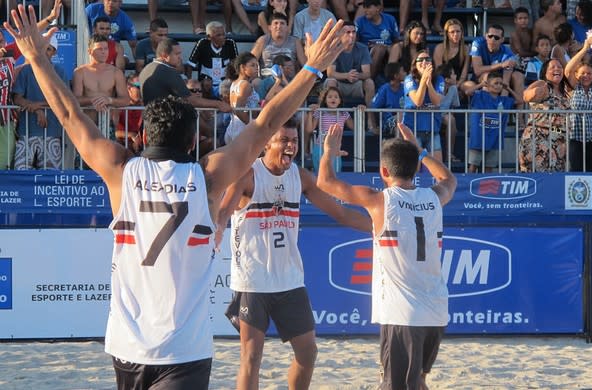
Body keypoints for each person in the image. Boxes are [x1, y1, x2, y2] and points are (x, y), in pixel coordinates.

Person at [4, 6, 346, 388]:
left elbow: (68, 113)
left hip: (127, 346)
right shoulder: (207, 178)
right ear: (191, 142)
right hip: (184, 351)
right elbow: (266, 123)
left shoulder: (121, 171)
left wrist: (34, 56)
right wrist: (312, 68)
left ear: (146, 137)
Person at [217, 118, 371, 390]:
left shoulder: (299, 177)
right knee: (251, 358)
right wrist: (215, 233)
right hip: (253, 282)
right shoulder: (248, 175)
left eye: (294, 141)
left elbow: (341, 213)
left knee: (308, 352)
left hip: (290, 281)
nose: (290, 146)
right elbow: (221, 215)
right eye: (284, 140)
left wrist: (380, 229)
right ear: (267, 144)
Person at [315, 122, 456, 390]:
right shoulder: (435, 197)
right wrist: (422, 151)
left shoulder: (380, 200)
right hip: (436, 311)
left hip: (402, 314)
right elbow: (449, 180)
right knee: (418, 382)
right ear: (416, 169)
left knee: (393, 385)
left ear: (383, 171)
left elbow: (325, 182)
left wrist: (328, 152)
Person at [12, 33, 68, 170]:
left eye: (48, 49)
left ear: (54, 52)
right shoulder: (26, 70)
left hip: (52, 132)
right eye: (41, 48)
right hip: (26, 132)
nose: (44, 52)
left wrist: (36, 106)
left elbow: (64, 99)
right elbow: (16, 98)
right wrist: (36, 109)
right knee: (21, 173)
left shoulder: (60, 72)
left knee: (50, 177)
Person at [140, 37, 232, 117]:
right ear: (164, 56)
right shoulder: (169, 72)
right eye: (177, 54)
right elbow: (191, 100)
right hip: (166, 123)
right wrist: (218, 104)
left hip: (149, 121)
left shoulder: (146, 69)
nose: (180, 57)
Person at [564, 30, 592, 172]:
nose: (586, 76)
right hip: (575, 138)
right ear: (577, 75)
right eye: (582, 73)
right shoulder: (573, 87)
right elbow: (568, 70)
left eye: (589, 73)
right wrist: (584, 48)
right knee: (575, 172)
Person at [463, 71, 522, 173]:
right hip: (479, 139)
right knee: (473, 167)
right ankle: (469, 187)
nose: (499, 86)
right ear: (488, 84)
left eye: (500, 83)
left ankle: (485, 189)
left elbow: (520, 100)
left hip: (495, 140)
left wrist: (508, 88)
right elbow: (467, 92)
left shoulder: (504, 100)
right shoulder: (480, 96)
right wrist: (481, 84)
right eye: (496, 83)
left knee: (489, 168)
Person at [518, 58, 571, 172]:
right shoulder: (543, 84)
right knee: (536, 178)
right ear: (545, 73)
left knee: (555, 180)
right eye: (553, 67)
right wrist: (535, 93)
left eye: (560, 67)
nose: (557, 69)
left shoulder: (564, 92)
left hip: (558, 141)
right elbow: (526, 96)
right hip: (538, 139)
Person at [326, 21, 376, 131]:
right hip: (339, 85)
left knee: (369, 83)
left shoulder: (362, 48)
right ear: (340, 34)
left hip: (355, 83)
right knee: (330, 81)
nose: (351, 35)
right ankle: (330, 121)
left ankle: (371, 121)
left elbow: (367, 73)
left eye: (353, 32)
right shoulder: (334, 48)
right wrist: (346, 75)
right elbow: (330, 73)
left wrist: (355, 75)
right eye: (347, 32)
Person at [72, 34, 130, 126]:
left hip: (108, 122)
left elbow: (126, 100)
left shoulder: (116, 72)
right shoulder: (80, 72)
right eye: (99, 49)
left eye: (106, 48)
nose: (104, 52)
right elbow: (75, 99)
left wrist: (109, 100)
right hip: (87, 123)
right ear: (90, 51)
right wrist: (95, 100)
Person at [467, 24, 524, 107]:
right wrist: (501, 65)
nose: (492, 39)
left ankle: (519, 117)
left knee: (518, 76)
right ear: (486, 36)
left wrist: (502, 106)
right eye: (490, 36)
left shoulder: (508, 53)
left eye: (496, 38)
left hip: (499, 80)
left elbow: (505, 82)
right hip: (481, 79)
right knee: (488, 76)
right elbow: (477, 71)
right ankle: (487, 113)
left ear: (502, 40)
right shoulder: (478, 43)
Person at [403, 52, 445, 162]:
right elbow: (418, 101)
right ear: (415, 64)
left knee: (438, 167)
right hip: (413, 130)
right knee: (413, 167)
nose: (424, 62)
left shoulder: (439, 79)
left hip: (432, 129)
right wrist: (423, 80)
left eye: (427, 59)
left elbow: (436, 102)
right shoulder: (409, 79)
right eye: (420, 60)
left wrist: (429, 82)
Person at [305, 86, 356, 171]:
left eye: (336, 97)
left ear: (340, 101)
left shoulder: (344, 114)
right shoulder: (320, 112)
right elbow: (309, 129)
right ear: (325, 100)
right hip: (320, 149)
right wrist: (310, 113)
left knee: (335, 176)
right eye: (330, 97)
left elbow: (356, 127)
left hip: (335, 150)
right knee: (319, 176)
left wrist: (358, 111)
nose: (333, 99)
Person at [187, 21, 239, 97]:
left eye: (223, 34)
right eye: (218, 35)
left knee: (228, 86)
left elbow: (236, 64)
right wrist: (189, 82)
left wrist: (231, 79)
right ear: (209, 37)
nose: (223, 37)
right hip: (206, 81)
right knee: (206, 84)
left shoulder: (230, 43)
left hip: (224, 80)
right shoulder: (202, 43)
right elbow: (190, 64)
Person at [354, 0, 399, 79]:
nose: (365, 10)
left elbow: (396, 40)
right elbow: (355, 42)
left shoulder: (390, 19)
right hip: (367, 52)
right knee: (379, 48)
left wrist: (389, 47)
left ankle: (392, 77)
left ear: (378, 8)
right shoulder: (359, 21)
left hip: (388, 53)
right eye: (364, 7)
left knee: (396, 47)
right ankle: (370, 79)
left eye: (368, 7)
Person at [224, 52, 261, 144]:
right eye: (252, 65)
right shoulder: (245, 85)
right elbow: (238, 109)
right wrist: (253, 126)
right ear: (243, 68)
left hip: (232, 128)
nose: (257, 68)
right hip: (242, 130)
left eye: (257, 65)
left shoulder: (234, 83)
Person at [432, 19, 470, 92]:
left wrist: (457, 85)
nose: (455, 34)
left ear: (462, 33)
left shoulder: (466, 49)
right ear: (447, 34)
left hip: (459, 82)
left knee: (470, 86)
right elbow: (439, 72)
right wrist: (450, 84)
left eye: (458, 31)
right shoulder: (440, 48)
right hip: (443, 81)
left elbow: (464, 74)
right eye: (452, 32)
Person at [370, 61, 405, 137]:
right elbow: (372, 108)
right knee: (401, 116)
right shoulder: (385, 89)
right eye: (402, 71)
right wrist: (374, 127)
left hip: (404, 121)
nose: (405, 73)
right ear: (396, 75)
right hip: (388, 123)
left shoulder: (405, 87)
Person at [115, 73, 143, 153]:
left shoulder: (145, 106)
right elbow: (114, 133)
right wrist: (132, 135)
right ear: (129, 88)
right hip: (122, 146)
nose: (141, 90)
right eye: (138, 87)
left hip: (139, 146)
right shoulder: (119, 106)